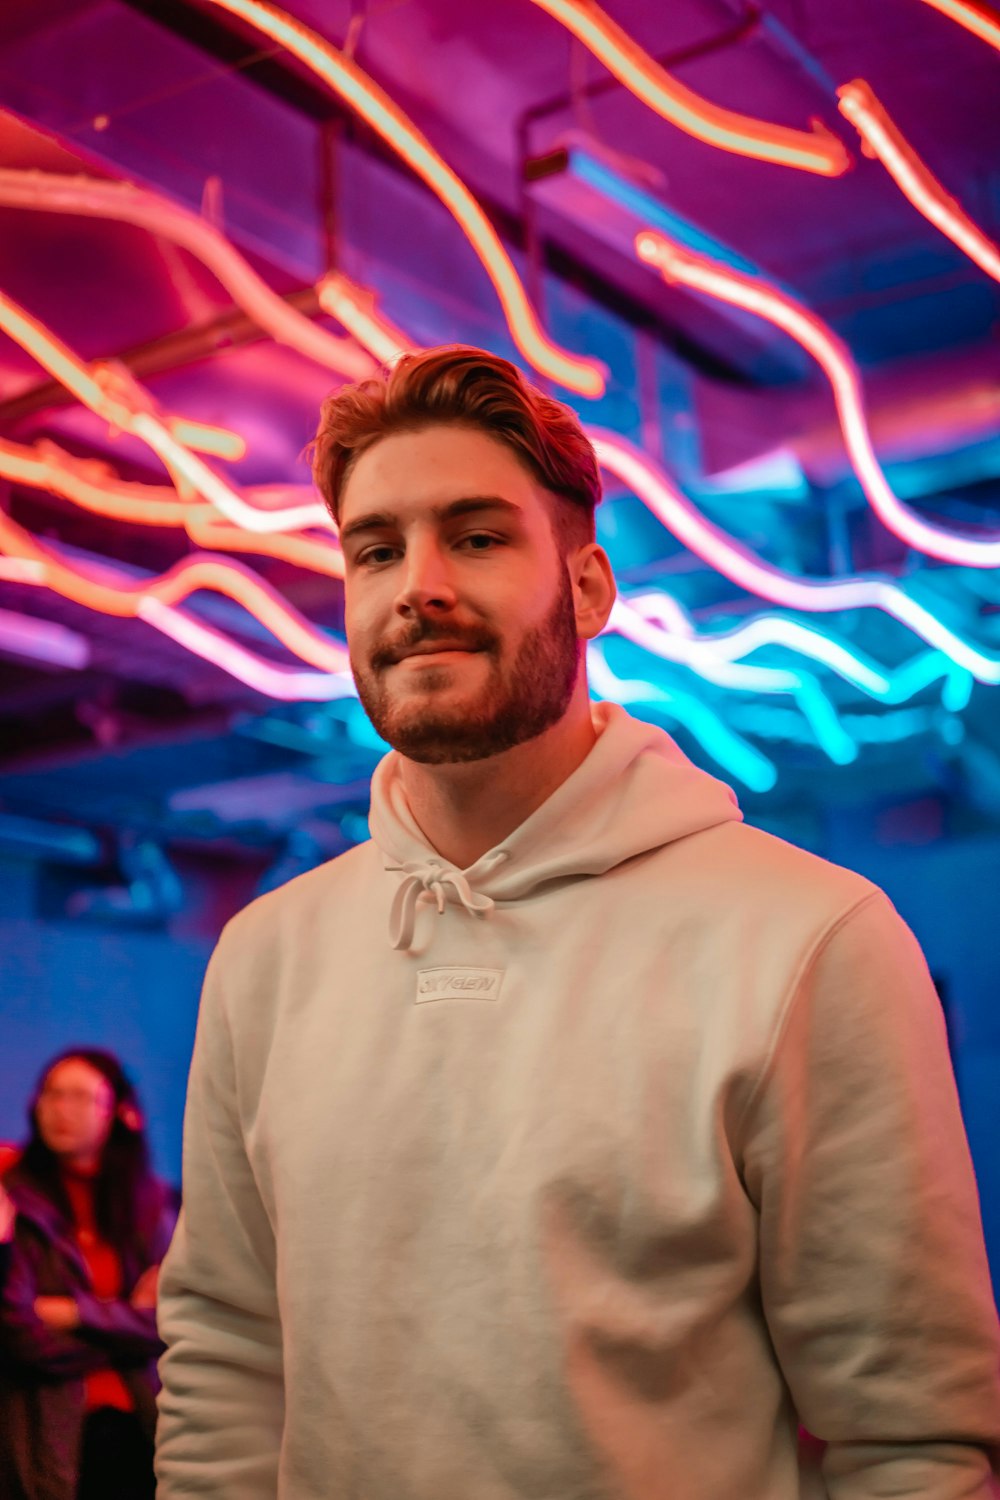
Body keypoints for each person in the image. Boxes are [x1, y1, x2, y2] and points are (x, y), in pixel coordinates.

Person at [156, 346, 1000, 1499]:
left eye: (478, 535)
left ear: (590, 589)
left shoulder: (810, 940)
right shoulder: (264, 957)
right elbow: (227, 1366)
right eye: (376, 550)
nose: (419, 587)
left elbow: (910, 1439)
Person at [0, 1048, 175, 1500]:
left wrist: (74, 1313)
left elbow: (173, 1321)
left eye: (80, 1096)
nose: (61, 1109)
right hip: (50, 1429)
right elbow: (19, 1334)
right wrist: (126, 1325)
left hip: (147, 1424)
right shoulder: (16, 1199)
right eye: (52, 1094)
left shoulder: (153, 1204)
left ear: (117, 1111)